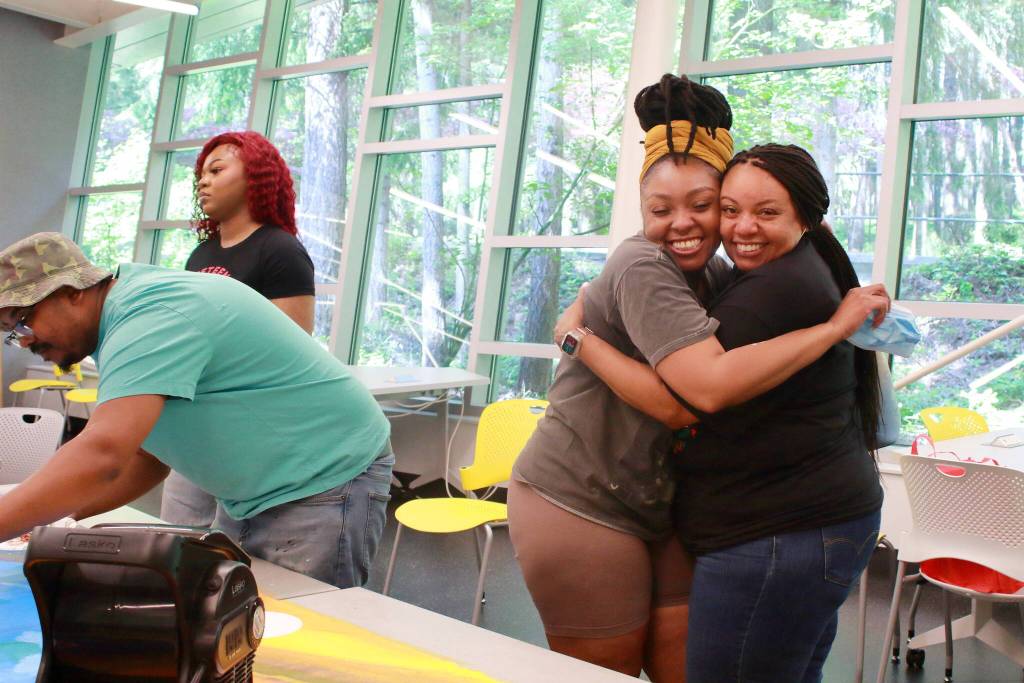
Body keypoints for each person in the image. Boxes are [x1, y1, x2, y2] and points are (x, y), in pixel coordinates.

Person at [507, 74, 890, 681]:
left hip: (656, 503)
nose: (682, 222)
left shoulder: (718, 274)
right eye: (660, 209)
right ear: (641, 208)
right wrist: (576, 338)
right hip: (580, 494)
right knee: (602, 672)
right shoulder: (646, 265)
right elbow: (691, 399)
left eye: (705, 206)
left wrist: (579, 332)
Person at [0, 232, 392, 588]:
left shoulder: (149, 316)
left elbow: (104, 454)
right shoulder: (118, 324)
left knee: (301, 631)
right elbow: (144, 456)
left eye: (22, 321)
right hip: (254, 489)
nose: (25, 341)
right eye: (11, 334)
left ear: (72, 290)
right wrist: (40, 519)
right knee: (231, 613)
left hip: (325, 477)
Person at [161, 130, 316, 527]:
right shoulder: (201, 254)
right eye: (201, 173)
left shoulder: (280, 250)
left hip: (247, 427)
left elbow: (291, 351)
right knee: (177, 539)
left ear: (255, 179)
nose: (203, 180)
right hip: (195, 420)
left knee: (230, 549)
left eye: (216, 169)